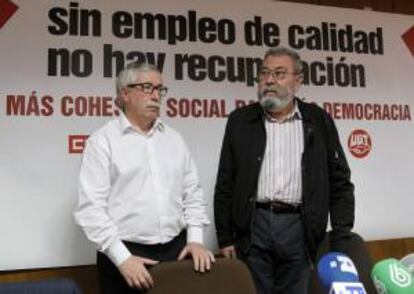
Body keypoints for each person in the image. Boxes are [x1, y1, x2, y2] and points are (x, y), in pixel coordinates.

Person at [214, 47, 355, 294]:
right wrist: (225, 237)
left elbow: (340, 182)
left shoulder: (319, 121)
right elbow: (226, 181)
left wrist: (341, 237)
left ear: (298, 81)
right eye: (264, 73)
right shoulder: (239, 121)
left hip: (299, 229)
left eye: (279, 74)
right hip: (253, 227)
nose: (269, 80)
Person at [74, 63, 215, 293]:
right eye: (147, 87)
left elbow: (192, 194)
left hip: (176, 252)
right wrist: (122, 259)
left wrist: (196, 240)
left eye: (159, 89)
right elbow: (91, 210)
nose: (156, 95)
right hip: (123, 254)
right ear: (125, 94)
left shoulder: (174, 139)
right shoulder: (102, 141)